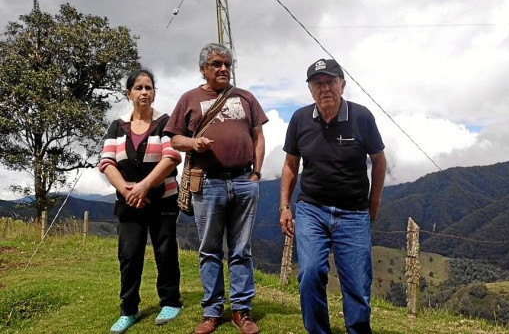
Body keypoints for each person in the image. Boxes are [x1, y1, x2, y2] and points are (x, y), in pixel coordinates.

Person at [165, 43, 267, 334]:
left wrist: (257, 174)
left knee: (241, 249)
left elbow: (258, 137)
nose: (223, 68)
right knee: (210, 249)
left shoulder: (246, 98)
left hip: (244, 181)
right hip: (207, 182)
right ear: (203, 69)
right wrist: (192, 143)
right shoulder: (190, 99)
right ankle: (212, 312)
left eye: (227, 64)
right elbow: (173, 138)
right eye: (216, 64)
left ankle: (241, 311)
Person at [279, 59, 387, 334]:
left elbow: (379, 161)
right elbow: (291, 165)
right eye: (318, 83)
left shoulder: (362, 117)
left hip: (353, 211)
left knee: (357, 283)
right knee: (310, 273)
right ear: (310, 89)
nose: (325, 88)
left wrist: (372, 205)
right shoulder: (300, 119)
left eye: (331, 81)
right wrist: (284, 207)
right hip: (311, 208)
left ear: (343, 84)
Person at [99, 69, 183, 334]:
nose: (144, 92)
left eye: (149, 87)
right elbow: (107, 162)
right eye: (138, 88)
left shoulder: (165, 123)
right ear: (129, 94)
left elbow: (171, 158)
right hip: (129, 203)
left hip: (163, 200)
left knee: (165, 252)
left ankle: (170, 301)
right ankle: (129, 309)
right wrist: (127, 191)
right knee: (129, 254)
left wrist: (144, 187)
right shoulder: (118, 126)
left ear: (154, 92)